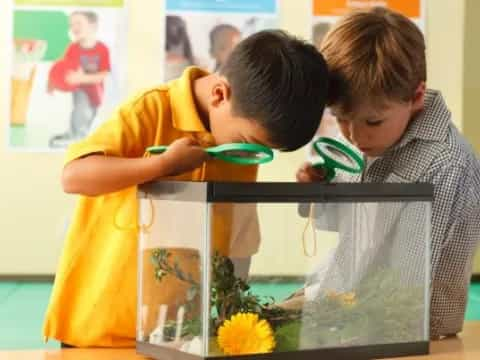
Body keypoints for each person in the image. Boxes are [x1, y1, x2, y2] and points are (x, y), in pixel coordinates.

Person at [43, 30, 329, 347]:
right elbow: (74, 176)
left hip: (178, 336)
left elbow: (236, 234)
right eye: (250, 144)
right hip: (99, 331)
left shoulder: (240, 147)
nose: (252, 157)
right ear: (220, 95)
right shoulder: (150, 109)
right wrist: (160, 166)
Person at [297, 7, 480, 339]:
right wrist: (317, 191)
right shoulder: (364, 131)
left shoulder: (446, 162)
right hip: (348, 299)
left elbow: (408, 280)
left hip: (413, 324)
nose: (353, 135)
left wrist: (335, 314)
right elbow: (341, 225)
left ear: (416, 97)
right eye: (340, 118)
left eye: (372, 121)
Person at [48, 11, 111, 148]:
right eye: (71, 24)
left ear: (93, 26)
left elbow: (104, 74)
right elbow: (62, 68)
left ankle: (77, 135)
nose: (74, 27)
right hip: (80, 90)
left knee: (89, 115)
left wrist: (82, 77)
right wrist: (52, 82)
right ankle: (75, 136)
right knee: (80, 110)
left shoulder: (102, 49)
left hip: (96, 92)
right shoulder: (73, 48)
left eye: (78, 23)